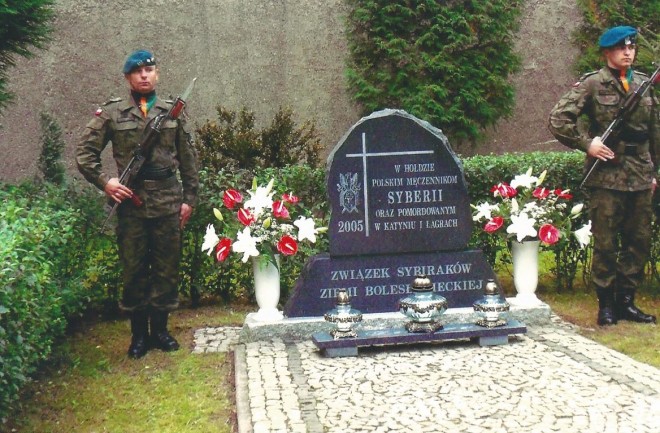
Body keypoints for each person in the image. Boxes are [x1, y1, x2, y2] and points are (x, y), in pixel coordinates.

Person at [76, 50, 199, 358]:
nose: (144, 75)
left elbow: (188, 159)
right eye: (137, 71)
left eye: (149, 70)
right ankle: (139, 336)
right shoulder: (112, 113)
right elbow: (84, 155)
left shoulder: (172, 112)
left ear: (156, 74)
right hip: (132, 204)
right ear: (128, 77)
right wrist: (106, 182)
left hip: (168, 202)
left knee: (166, 269)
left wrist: (189, 199)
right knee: (134, 271)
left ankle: (160, 331)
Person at [548, 26, 657, 326]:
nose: (628, 52)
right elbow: (558, 119)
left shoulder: (644, 84)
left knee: (638, 241)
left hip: (640, 173)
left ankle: (626, 302)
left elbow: (654, 131)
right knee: (606, 244)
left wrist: (654, 171)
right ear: (607, 52)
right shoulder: (593, 84)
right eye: (622, 48)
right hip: (607, 175)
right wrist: (587, 144)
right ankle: (606, 305)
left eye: (631, 47)